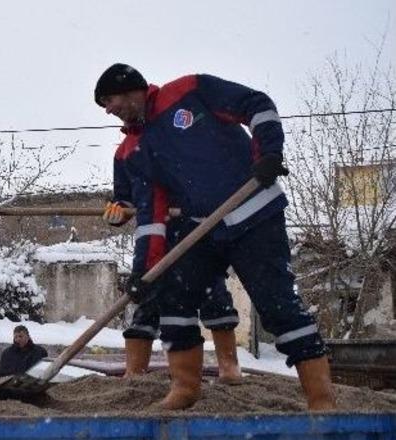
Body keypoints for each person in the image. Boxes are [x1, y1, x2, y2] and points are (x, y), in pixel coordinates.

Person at [94, 63, 334, 410]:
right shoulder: (135, 149)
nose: (108, 110)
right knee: (174, 298)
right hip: (199, 229)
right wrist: (144, 273)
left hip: (254, 214)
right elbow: (151, 216)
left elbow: (256, 103)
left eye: (110, 99)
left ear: (132, 89)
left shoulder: (191, 91)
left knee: (278, 306)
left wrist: (269, 152)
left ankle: (321, 399)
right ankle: (185, 389)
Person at [104, 168, 242, 382]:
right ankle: (134, 373)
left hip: (198, 233)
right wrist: (119, 210)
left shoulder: (188, 139)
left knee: (214, 297)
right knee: (147, 301)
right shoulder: (127, 151)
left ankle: (229, 367)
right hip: (153, 241)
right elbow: (126, 197)